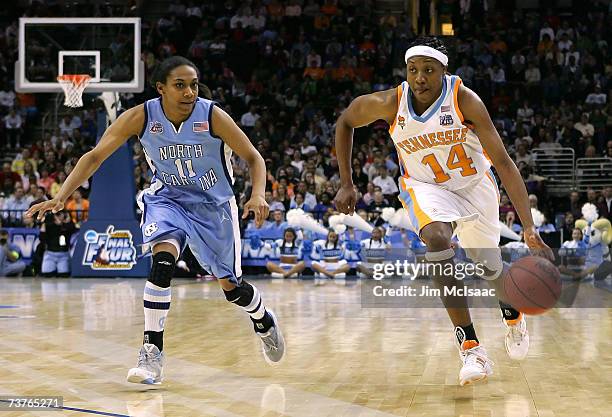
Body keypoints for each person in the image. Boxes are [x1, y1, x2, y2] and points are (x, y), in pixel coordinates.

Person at [26, 56, 285, 385]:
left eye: (193, 84)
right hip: (168, 199)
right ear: (160, 88)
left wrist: (258, 194)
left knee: (232, 288)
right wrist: (61, 196)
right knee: (162, 262)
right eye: (180, 85)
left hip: (213, 206)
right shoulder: (141, 116)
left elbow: (253, 157)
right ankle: (151, 354)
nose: (189, 91)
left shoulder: (212, 115)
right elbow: (94, 156)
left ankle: (263, 320)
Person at [333, 36, 553, 386]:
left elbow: (504, 163)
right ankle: (471, 347)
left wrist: (527, 227)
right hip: (427, 188)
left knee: (489, 268)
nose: (420, 77)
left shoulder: (465, 100)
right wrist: (346, 182)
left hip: (475, 187)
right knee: (436, 239)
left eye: (429, 70)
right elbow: (345, 122)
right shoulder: (391, 103)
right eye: (413, 70)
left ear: (444, 71)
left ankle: (512, 314)